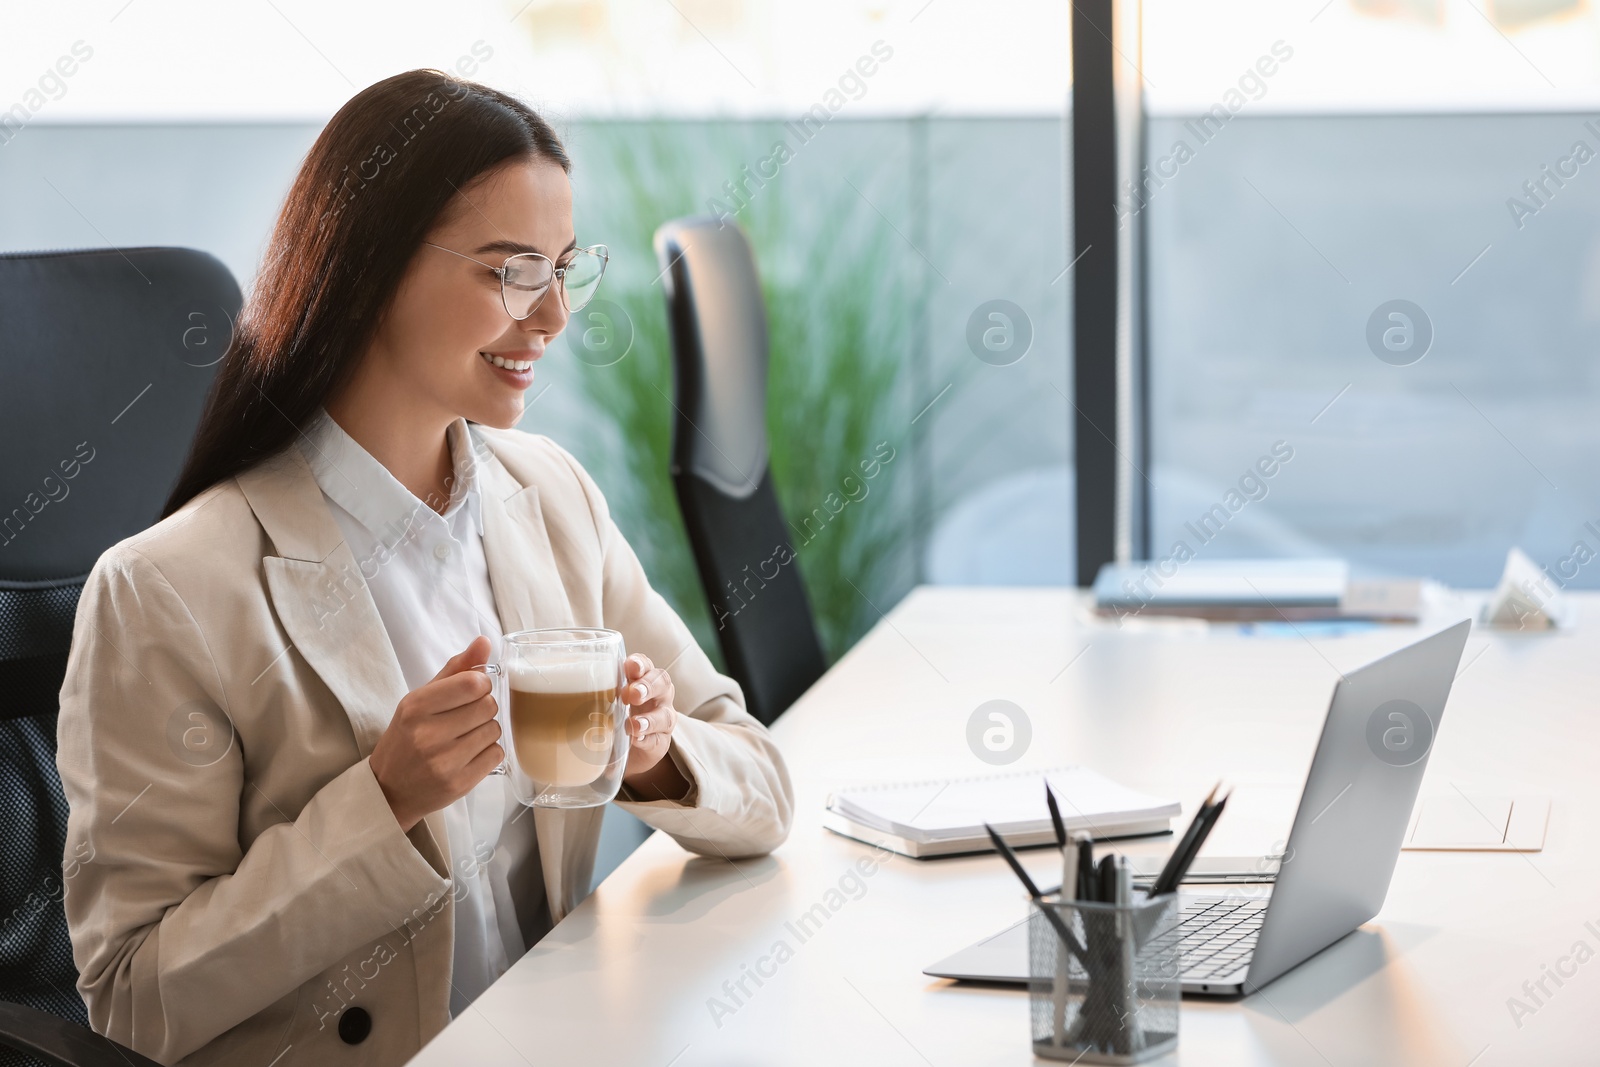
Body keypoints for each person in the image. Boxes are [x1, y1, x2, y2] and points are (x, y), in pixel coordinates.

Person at [55, 69, 794, 1067]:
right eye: (510, 271)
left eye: (565, 269)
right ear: (370, 267)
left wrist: (658, 751)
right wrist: (383, 802)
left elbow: (763, 783)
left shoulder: (551, 500)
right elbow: (135, 998)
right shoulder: (168, 589)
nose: (553, 318)